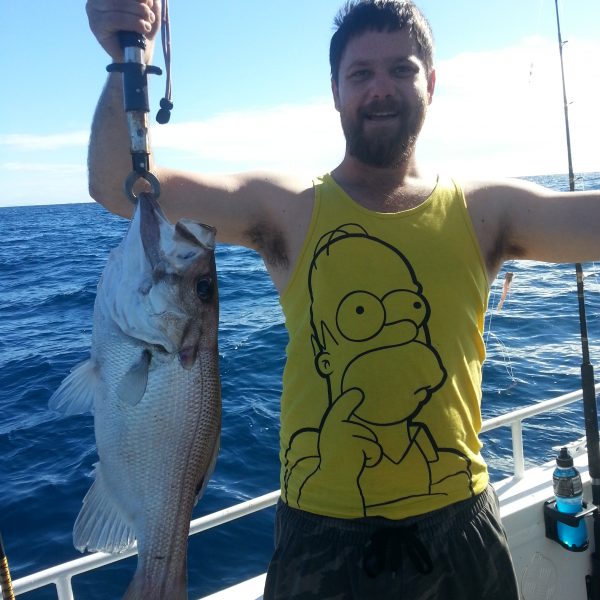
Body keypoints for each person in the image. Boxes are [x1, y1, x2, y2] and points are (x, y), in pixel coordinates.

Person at [86, 1, 600, 598]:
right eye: (361, 74)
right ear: (334, 90)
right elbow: (118, 184)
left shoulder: (485, 210)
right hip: (320, 538)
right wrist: (129, 55)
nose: (380, 89)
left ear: (430, 83)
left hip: (461, 527)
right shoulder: (286, 207)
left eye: (401, 70)